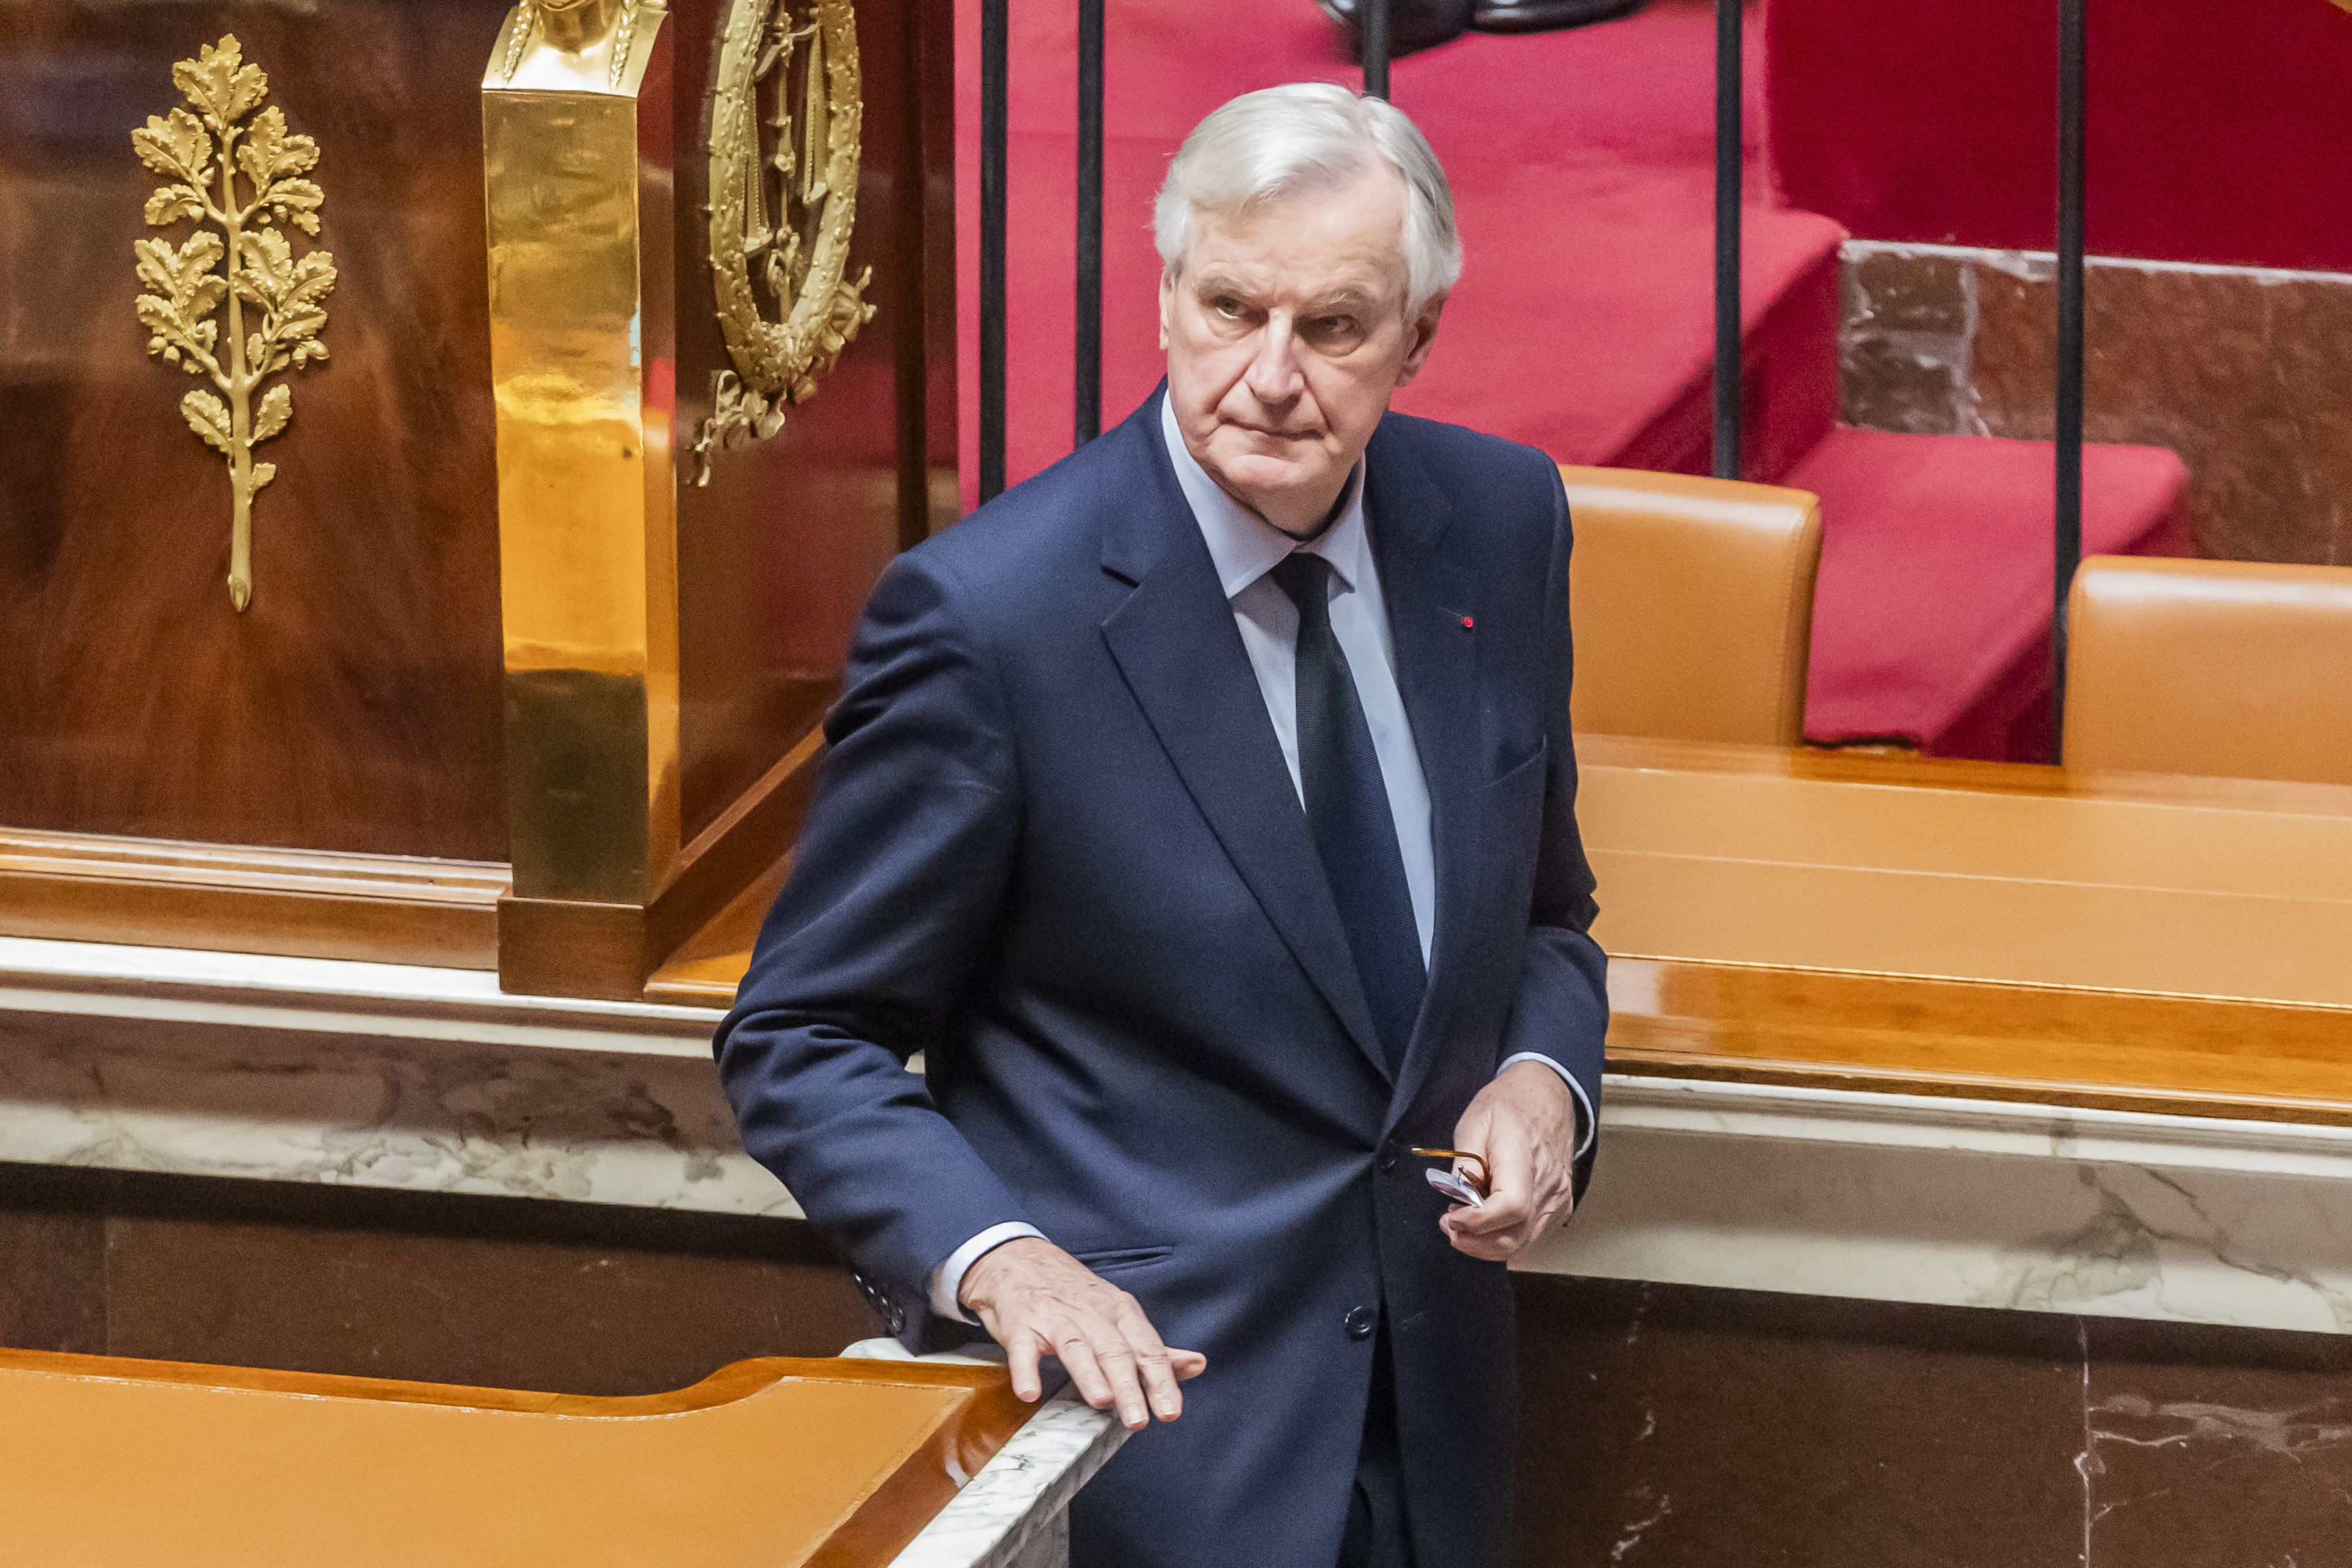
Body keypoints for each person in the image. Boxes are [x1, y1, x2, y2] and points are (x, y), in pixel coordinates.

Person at [714, 82, 1608, 1568]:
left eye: (1330, 327)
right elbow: (802, 1037)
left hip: (1438, 1429)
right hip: (1151, 1446)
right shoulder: (992, 621)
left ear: (1415, 338)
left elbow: (1542, 913)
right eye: (1228, 307)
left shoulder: (1500, 523)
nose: (1268, 375)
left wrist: (1536, 1075)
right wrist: (999, 1263)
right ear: (1162, 303)